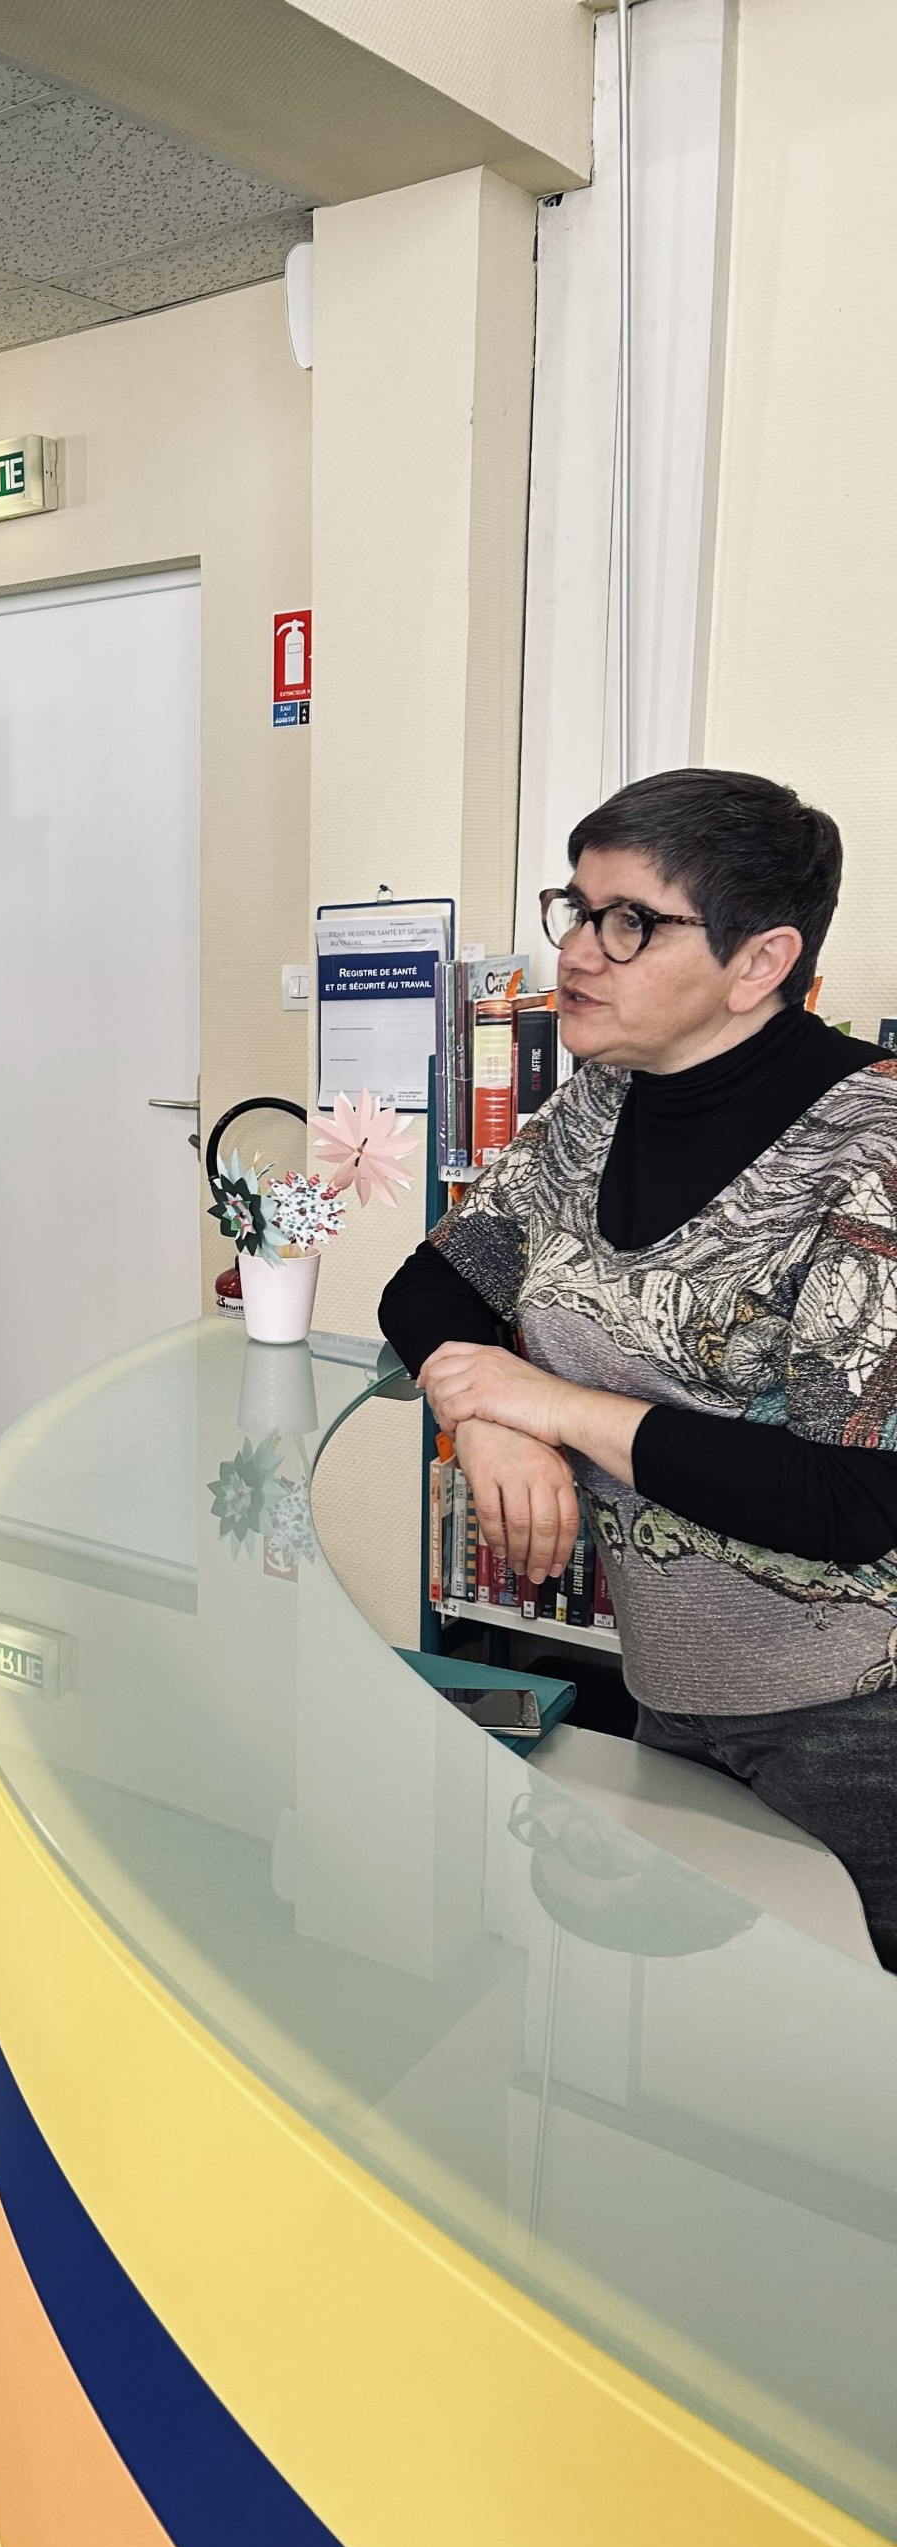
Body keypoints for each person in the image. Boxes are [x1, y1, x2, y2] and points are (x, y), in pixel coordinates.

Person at [381, 767, 897, 1968]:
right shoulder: (598, 1105)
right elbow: (429, 1287)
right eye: (576, 907)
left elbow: (850, 1500)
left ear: (760, 961)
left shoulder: (871, 1150)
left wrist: (552, 1402)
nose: (576, 950)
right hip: (673, 1684)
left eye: (629, 922)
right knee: (700, 2018)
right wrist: (492, 1418)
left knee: (843, 2046)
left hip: (858, 1722)